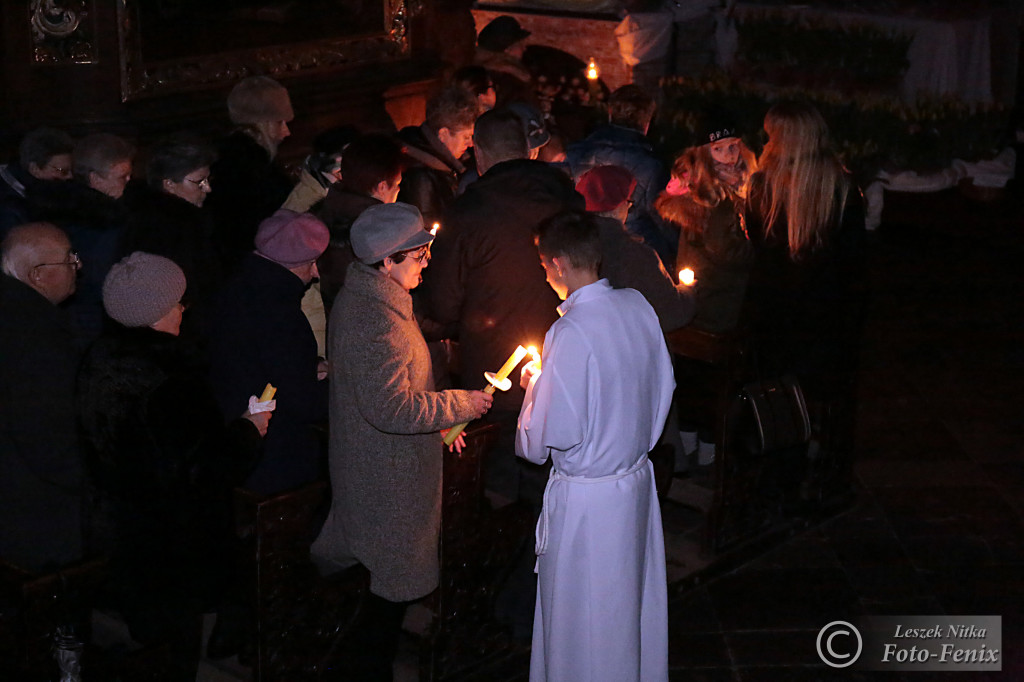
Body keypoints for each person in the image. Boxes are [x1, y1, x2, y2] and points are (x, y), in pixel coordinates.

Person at [310, 202, 492, 681]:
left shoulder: (379, 300)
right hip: (385, 483)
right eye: (418, 255)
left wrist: (436, 426)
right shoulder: (376, 319)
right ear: (386, 261)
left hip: (388, 472)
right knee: (379, 610)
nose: (427, 262)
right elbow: (390, 408)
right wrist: (459, 406)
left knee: (381, 601)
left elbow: (396, 392)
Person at [78, 252, 270, 681]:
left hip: (117, 529)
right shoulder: (173, 379)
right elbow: (207, 468)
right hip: (172, 544)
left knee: (146, 637)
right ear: (153, 311)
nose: (184, 308)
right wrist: (249, 429)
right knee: (175, 649)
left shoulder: (98, 356)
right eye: (177, 301)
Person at [516, 209, 673, 682]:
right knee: (628, 606)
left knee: (584, 619)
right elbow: (661, 385)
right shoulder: (638, 306)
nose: (546, 276)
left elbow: (545, 439)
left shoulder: (569, 330)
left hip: (588, 503)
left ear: (559, 264)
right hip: (633, 486)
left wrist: (534, 389)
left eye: (544, 267)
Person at [427, 107, 583, 503]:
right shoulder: (570, 204)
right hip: (560, 369)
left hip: (492, 378)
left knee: (494, 491)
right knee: (547, 491)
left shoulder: (469, 214)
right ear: (529, 151)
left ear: (477, 154)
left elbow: (441, 307)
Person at [743, 101, 866, 506]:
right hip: (825, 318)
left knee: (777, 398)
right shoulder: (843, 189)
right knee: (818, 396)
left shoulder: (763, 188)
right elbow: (852, 264)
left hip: (775, 318)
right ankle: (819, 473)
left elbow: (759, 253)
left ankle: (777, 475)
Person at [206, 209, 330, 496]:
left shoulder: (232, 287)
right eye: (312, 263)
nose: (315, 273)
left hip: (233, 438)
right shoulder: (282, 315)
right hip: (274, 457)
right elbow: (302, 401)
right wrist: (334, 388)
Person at [0, 223, 85, 572]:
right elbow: (46, 433)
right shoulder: (36, 337)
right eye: (69, 260)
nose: (78, 266)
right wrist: (83, 478)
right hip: (32, 503)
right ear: (37, 275)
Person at [28, 132, 135, 350]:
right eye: (122, 176)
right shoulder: (103, 222)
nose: (129, 181)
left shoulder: (51, 208)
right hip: (93, 326)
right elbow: (104, 281)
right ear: (95, 179)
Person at [656, 113, 757, 335]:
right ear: (703, 152)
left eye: (733, 147)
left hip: (716, 295)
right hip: (717, 298)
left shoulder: (736, 185)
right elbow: (725, 249)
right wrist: (760, 250)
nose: (728, 156)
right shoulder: (712, 197)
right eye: (718, 149)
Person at [576, 164, 695, 333]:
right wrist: (687, 290)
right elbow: (672, 313)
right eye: (628, 203)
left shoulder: (567, 246)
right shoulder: (635, 255)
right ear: (619, 207)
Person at [566, 84, 674, 268]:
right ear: (647, 122)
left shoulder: (577, 152)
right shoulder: (651, 164)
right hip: (635, 249)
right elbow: (663, 219)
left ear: (610, 114)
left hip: (582, 242)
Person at [121, 134, 223, 324]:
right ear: (169, 185)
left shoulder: (152, 216)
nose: (207, 188)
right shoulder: (172, 230)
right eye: (199, 181)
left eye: (208, 179)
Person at [207, 75, 296, 270]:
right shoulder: (250, 170)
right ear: (263, 123)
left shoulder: (236, 158)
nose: (287, 132)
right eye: (280, 122)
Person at [316, 133, 405, 310]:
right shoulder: (374, 235)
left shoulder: (327, 213)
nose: (399, 191)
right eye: (397, 185)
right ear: (382, 187)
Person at [396, 86, 478, 224]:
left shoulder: (450, 164)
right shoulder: (421, 176)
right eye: (466, 137)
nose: (471, 144)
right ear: (443, 134)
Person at [0, 127, 74, 238]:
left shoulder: (44, 191)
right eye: (62, 171)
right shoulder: (9, 209)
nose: (70, 176)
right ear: (35, 169)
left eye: (71, 170)